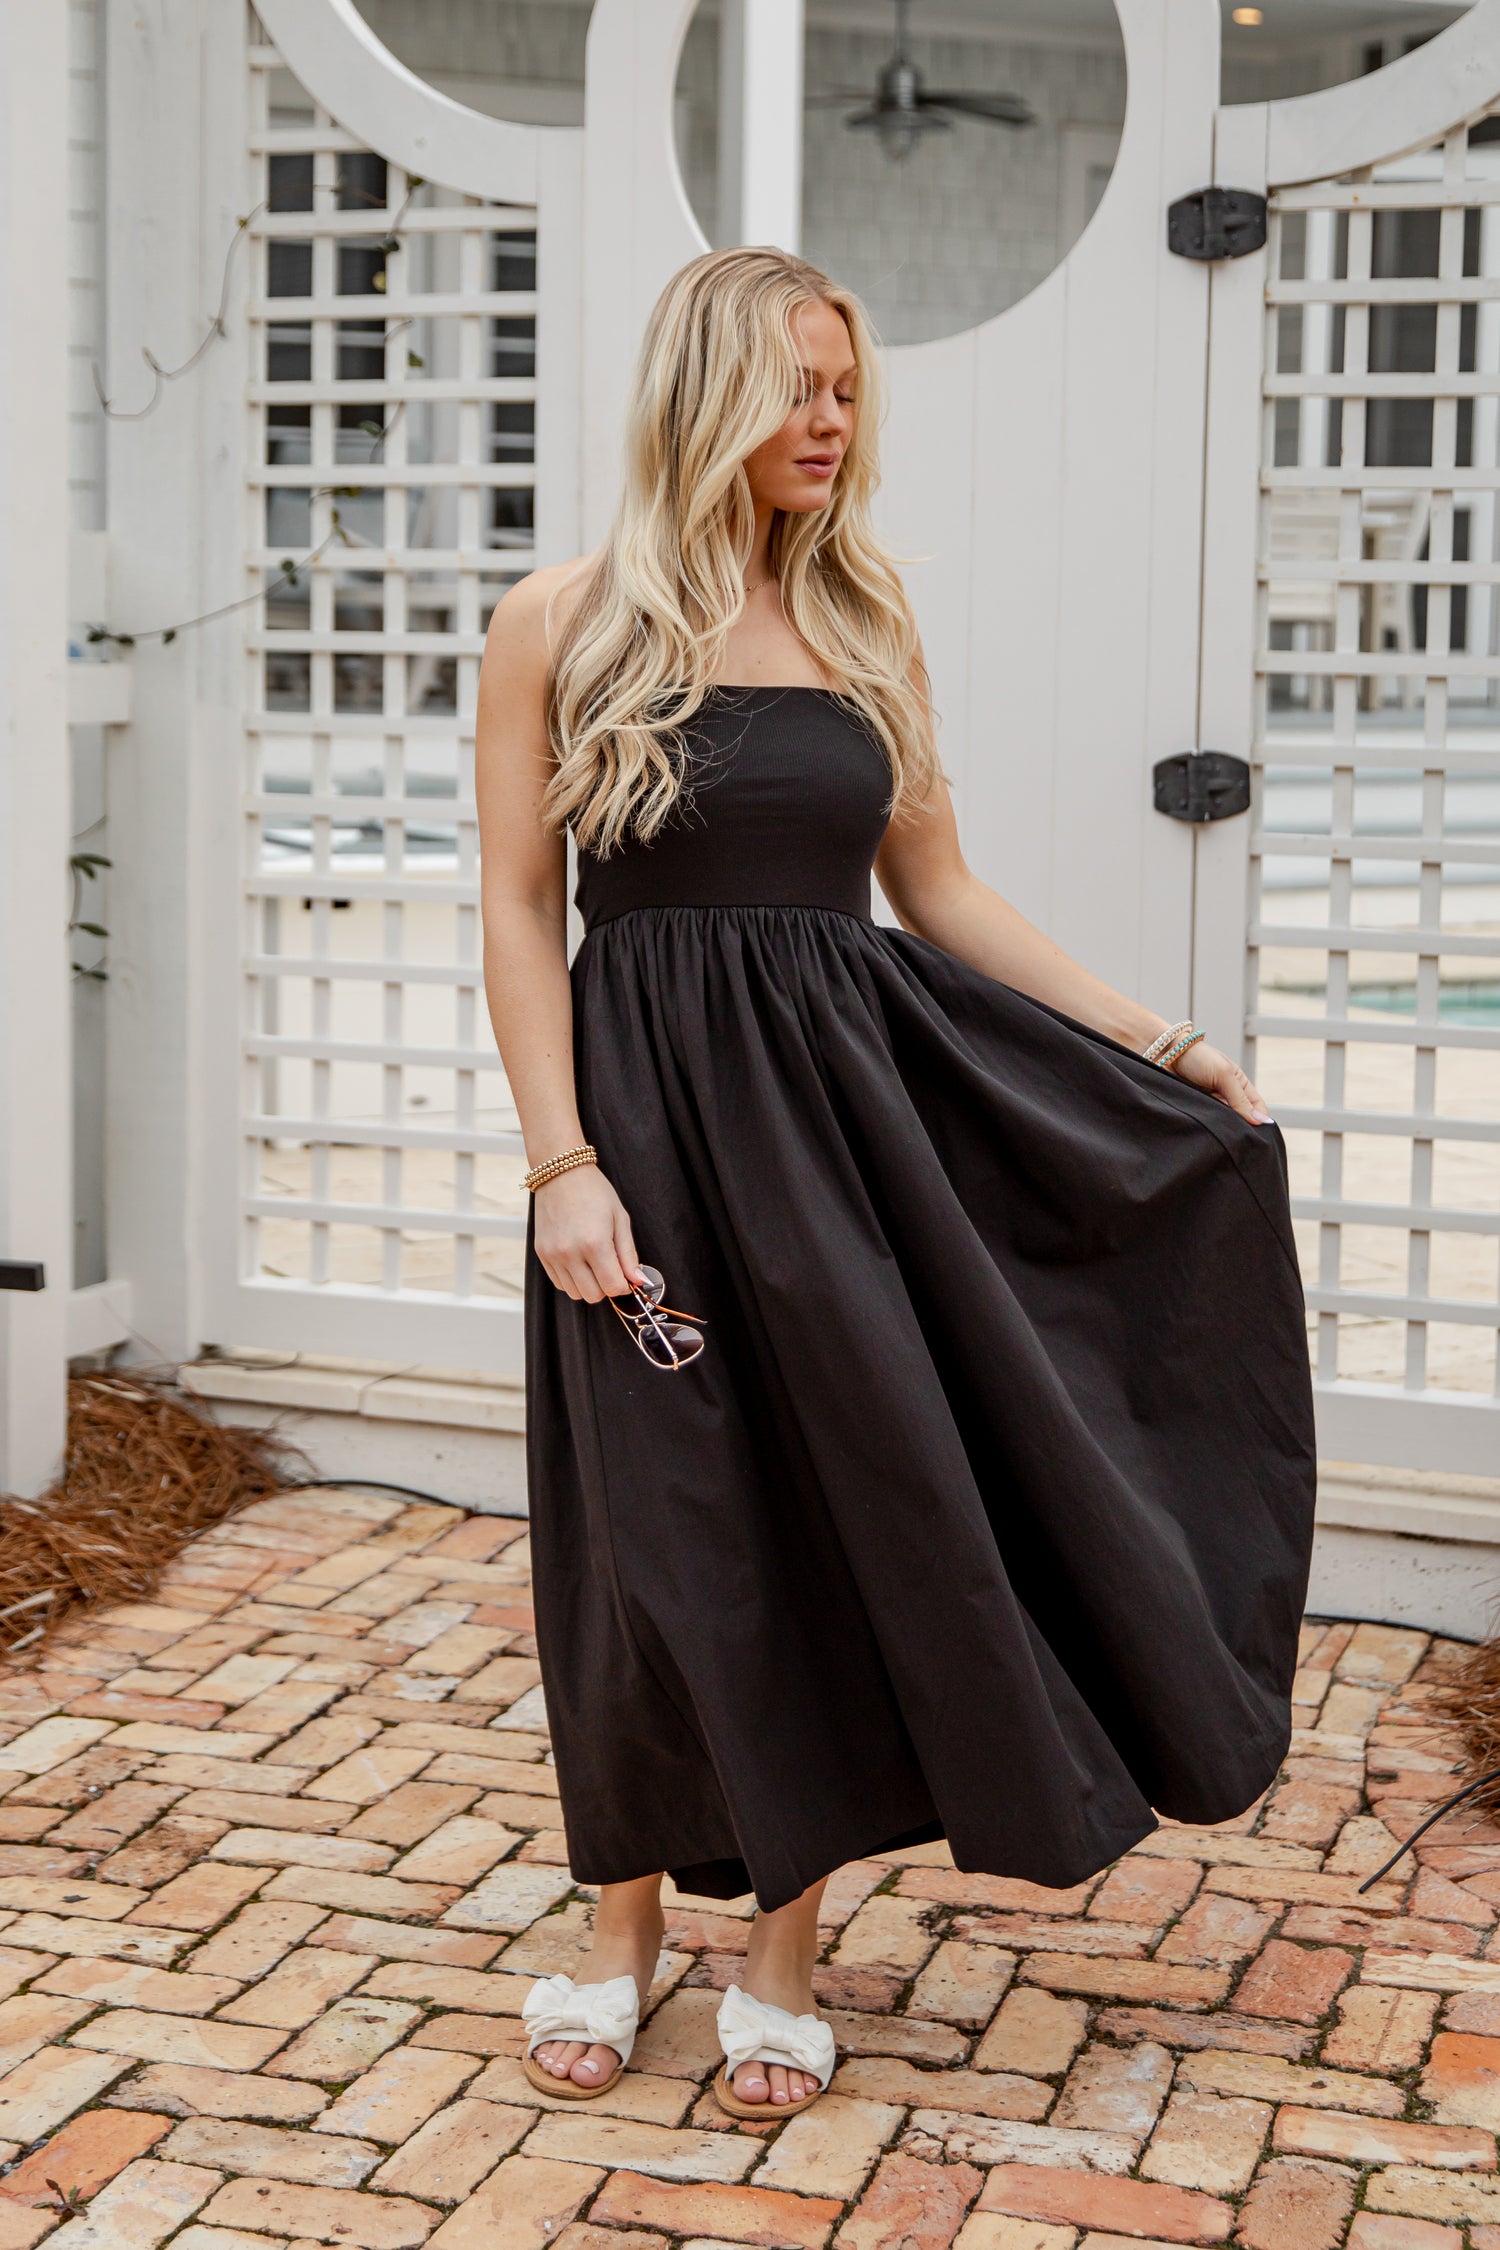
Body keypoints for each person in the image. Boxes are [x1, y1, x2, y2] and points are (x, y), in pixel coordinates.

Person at [476, 246, 1316, 2119]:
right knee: (645, 1550)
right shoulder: (561, 620)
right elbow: (524, 914)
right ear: (706, 394)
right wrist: (561, 1161)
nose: (831, 422)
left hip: (848, 1143)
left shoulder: (865, 623)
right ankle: (616, 1931)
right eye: (798, 387)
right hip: (643, 1131)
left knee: (836, 1525)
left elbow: (939, 895)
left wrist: (1160, 1042)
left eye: (848, 390)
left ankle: (780, 1946)